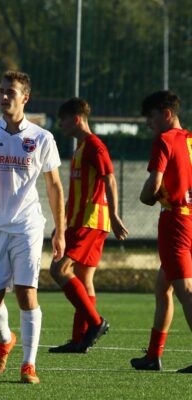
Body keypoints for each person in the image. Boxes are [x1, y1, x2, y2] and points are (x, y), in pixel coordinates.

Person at [0, 70, 65, 384]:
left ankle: (28, 365)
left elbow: (55, 185)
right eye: (1, 91)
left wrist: (61, 230)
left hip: (27, 227)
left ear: (25, 98)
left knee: (26, 293)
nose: (4, 97)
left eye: (11, 92)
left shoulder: (42, 138)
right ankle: (6, 339)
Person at [49, 98, 128, 353]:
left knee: (59, 270)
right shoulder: (81, 147)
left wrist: (115, 214)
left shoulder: (95, 146)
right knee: (84, 279)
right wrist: (61, 223)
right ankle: (80, 340)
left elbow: (110, 180)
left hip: (90, 221)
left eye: (62, 119)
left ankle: (95, 323)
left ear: (75, 119)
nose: (59, 124)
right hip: (80, 221)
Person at [131, 90, 192, 373]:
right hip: (189, 218)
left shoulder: (164, 140)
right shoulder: (190, 139)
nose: (149, 123)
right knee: (162, 287)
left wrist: (146, 197)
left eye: (151, 116)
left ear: (166, 114)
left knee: (186, 291)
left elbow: (152, 187)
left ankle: (155, 356)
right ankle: (153, 355)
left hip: (175, 222)